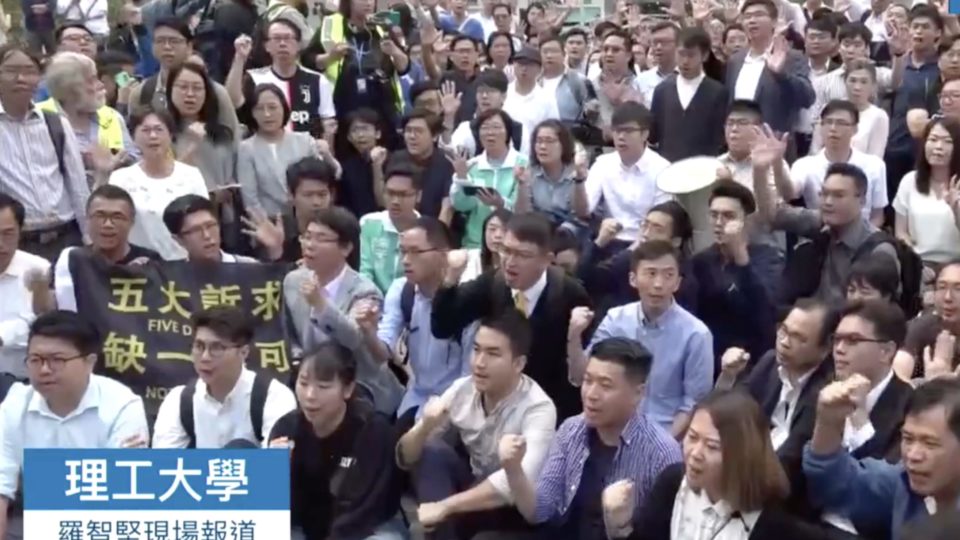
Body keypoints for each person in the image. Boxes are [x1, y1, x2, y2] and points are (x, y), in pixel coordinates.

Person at [397, 311, 556, 540]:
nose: (480, 363)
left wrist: (445, 506)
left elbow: (513, 485)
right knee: (430, 450)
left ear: (518, 363)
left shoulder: (538, 408)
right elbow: (404, 458)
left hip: (516, 509)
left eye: (493, 354)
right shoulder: (463, 389)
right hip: (473, 492)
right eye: (476, 349)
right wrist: (424, 427)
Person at [505, 337, 682, 538]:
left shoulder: (663, 454)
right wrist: (513, 469)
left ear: (637, 394)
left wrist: (621, 525)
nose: (591, 394)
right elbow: (539, 512)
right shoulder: (571, 429)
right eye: (588, 381)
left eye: (605, 386)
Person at [0, 311, 149, 539]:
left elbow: (122, 495)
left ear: (89, 362)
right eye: (35, 360)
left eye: (57, 360)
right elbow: (2, 488)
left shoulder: (122, 406)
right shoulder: (15, 404)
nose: (44, 370)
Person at [432, 212, 591, 419]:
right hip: (497, 405)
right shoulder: (492, 284)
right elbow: (442, 327)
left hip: (552, 407)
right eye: (506, 250)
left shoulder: (570, 294)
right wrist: (450, 280)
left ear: (547, 260)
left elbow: (580, 374)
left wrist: (574, 337)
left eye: (523, 255)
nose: (510, 262)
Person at [635, 389, 822, 540]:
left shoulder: (771, 522)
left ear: (741, 454)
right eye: (692, 437)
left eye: (712, 446)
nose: (695, 453)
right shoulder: (673, 482)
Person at [571, 240, 714, 437]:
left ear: (678, 283)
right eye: (651, 273)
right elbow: (581, 377)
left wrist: (662, 448)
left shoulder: (696, 334)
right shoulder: (616, 319)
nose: (658, 284)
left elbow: (693, 405)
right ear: (633, 278)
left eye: (668, 275)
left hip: (663, 436)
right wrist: (574, 336)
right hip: (608, 430)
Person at [270, 341, 407, 540]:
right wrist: (276, 476)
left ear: (348, 389)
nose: (310, 395)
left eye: (323, 386)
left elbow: (369, 507)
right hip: (306, 529)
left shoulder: (373, 430)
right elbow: (282, 513)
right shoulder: (286, 428)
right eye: (303, 383)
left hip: (366, 528)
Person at [802, 377, 960, 539]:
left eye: (930, 444)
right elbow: (836, 484)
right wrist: (828, 422)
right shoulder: (902, 484)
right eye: (908, 439)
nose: (913, 455)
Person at [283, 207, 403, 415]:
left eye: (321, 238)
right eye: (307, 237)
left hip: (360, 385)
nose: (310, 245)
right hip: (311, 379)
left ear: (346, 248)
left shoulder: (365, 291)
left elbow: (353, 339)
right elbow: (291, 335)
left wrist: (321, 305)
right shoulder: (293, 281)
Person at [823, 299, 914, 537]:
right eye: (837, 339)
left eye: (852, 340)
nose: (839, 349)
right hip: (812, 518)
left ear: (886, 351)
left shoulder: (911, 405)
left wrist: (860, 419)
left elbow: (883, 488)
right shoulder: (824, 391)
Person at [369, 217, 472, 421]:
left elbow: (469, 378)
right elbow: (383, 351)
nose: (406, 260)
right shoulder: (401, 291)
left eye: (416, 252)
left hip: (456, 404)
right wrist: (366, 330)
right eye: (403, 251)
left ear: (444, 255)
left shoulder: (466, 298)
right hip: (416, 396)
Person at [152, 306, 296, 448]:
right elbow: (164, 466)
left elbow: (275, 465)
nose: (205, 357)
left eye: (217, 348)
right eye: (199, 346)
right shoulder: (179, 401)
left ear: (244, 352)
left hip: (246, 471)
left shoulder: (274, 397)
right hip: (199, 472)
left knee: (239, 449)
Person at [0, 44, 89, 262]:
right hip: (16, 243)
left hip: (66, 236)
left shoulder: (55, 122)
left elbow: (77, 184)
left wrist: (89, 236)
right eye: (11, 70)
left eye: (30, 71)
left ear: (39, 79)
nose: (21, 78)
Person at [690, 181, 779, 366]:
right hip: (710, 354)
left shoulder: (768, 256)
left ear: (747, 220)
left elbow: (764, 309)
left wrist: (740, 254)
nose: (719, 222)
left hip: (752, 356)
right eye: (714, 215)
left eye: (728, 216)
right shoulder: (701, 261)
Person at [36, 185, 162, 315]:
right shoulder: (71, 261)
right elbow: (49, 310)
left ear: (131, 222)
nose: (107, 224)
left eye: (117, 217)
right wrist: (39, 289)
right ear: (87, 220)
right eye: (100, 216)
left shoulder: (150, 260)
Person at [108, 108, 208, 261]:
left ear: (171, 135)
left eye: (159, 130)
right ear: (134, 137)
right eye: (145, 130)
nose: (153, 136)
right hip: (137, 264)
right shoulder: (120, 178)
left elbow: (204, 221)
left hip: (183, 263)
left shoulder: (192, 175)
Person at [128, 17, 239, 140]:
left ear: (189, 46)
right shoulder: (142, 93)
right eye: (160, 41)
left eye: (174, 41)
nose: (167, 47)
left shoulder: (215, 92)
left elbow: (232, 139)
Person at [238, 84, 336, 218]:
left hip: (309, 217)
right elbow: (250, 199)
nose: (267, 114)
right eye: (260, 109)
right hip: (269, 222)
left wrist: (327, 154)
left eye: (272, 107)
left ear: (284, 108)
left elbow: (329, 176)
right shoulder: (246, 149)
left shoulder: (305, 141)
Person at [38, 51, 136, 185]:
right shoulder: (39, 119)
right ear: (70, 88)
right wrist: (80, 160)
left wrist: (116, 162)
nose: (101, 85)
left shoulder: (112, 116)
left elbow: (135, 161)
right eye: (92, 80)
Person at [786, 100, 888, 227]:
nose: (833, 129)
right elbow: (789, 193)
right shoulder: (804, 165)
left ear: (855, 129)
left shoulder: (875, 165)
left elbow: (877, 216)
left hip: (863, 238)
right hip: (820, 236)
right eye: (828, 122)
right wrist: (775, 162)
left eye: (841, 123)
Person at [228, 20, 336, 139]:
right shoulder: (254, 78)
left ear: (299, 45)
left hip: (308, 152)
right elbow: (233, 101)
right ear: (266, 46)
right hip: (266, 151)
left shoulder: (318, 80)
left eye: (288, 38)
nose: (282, 43)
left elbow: (328, 124)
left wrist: (327, 155)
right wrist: (239, 58)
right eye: (276, 38)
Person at [585, 102, 671, 251]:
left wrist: (629, 253)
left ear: (645, 134)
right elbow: (585, 209)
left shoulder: (662, 169)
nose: (621, 137)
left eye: (628, 131)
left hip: (646, 243)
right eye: (616, 131)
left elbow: (660, 222)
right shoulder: (603, 164)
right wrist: (579, 179)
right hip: (609, 238)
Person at [727, 0, 814, 142]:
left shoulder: (791, 57)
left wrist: (781, 75)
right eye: (747, 17)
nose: (752, 20)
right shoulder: (735, 60)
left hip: (775, 143)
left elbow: (807, 98)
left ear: (774, 22)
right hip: (738, 144)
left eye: (758, 15)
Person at [449, 108, 526, 249]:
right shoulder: (471, 165)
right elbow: (460, 206)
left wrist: (501, 203)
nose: (490, 133)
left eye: (496, 127)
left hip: (512, 244)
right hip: (475, 244)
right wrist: (461, 177)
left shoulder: (522, 164)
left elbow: (525, 210)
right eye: (484, 128)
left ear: (507, 132)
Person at [649, 26, 728, 162]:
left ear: (704, 56)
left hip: (703, 167)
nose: (685, 61)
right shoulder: (662, 90)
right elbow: (654, 134)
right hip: (667, 166)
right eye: (681, 54)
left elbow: (720, 137)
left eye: (691, 55)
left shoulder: (717, 92)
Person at [893, 117, 960, 268]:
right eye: (933, 139)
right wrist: (915, 262)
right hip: (919, 264)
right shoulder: (909, 181)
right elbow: (901, 232)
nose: (938, 147)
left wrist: (956, 210)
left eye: (947, 141)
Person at [0, 194, 49, 385]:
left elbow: (36, 321)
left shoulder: (38, 269)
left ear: (21, 231)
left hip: (24, 380)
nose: (0, 244)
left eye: (7, 234)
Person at [359, 162, 422, 294]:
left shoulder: (425, 231)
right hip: (373, 299)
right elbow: (365, 271)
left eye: (403, 195)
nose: (395, 201)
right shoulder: (368, 223)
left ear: (418, 196)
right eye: (390, 193)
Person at [515, 120, 589, 227]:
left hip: (569, 232)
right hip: (539, 230)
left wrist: (579, 181)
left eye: (549, 141)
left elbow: (581, 214)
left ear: (563, 145)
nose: (543, 146)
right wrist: (522, 185)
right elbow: (522, 215)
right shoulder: (529, 172)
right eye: (539, 141)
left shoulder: (577, 171)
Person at [162, 195, 279, 263]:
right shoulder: (173, 279)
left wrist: (275, 250)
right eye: (196, 230)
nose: (207, 235)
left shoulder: (248, 267)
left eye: (210, 225)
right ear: (178, 240)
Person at [896, 261, 960, 381]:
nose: (948, 297)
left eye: (958, 289)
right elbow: (899, 375)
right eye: (942, 287)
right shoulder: (922, 327)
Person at [390, 108, 454, 221]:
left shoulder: (446, 164)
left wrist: (436, 235)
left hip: (433, 225)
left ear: (434, 136)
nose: (412, 136)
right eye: (408, 131)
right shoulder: (396, 159)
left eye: (418, 131)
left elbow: (447, 208)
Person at [503, 46, 559, 138]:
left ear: (540, 69)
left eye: (530, 65)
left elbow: (554, 129)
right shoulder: (504, 93)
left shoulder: (547, 99)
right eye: (520, 64)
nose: (524, 68)